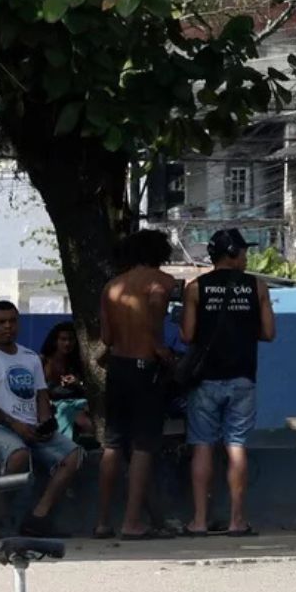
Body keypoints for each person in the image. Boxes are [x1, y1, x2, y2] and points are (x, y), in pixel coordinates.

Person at [0, 300, 86, 536]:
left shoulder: (30, 357)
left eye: (12, 321)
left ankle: (38, 517)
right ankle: (0, 519)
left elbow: (41, 396)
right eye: (1, 322)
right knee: (19, 455)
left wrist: (46, 422)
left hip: (30, 428)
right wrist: (15, 425)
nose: (8, 326)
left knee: (74, 455)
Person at [181, 228, 274, 536]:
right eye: (244, 252)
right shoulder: (256, 287)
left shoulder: (195, 288)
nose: (247, 257)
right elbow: (269, 333)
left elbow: (187, 335)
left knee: (203, 447)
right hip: (243, 377)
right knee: (236, 446)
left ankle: (198, 520)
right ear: (232, 253)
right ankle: (237, 520)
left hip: (205, 379)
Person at [95, 227, 180, 539]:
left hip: (118, 366)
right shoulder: (161, 283)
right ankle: (132, 522)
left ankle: (102, 521)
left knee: (113, 444)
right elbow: (157, 321)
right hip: (146, 368)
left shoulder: (111, 287)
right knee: (143, 445)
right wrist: (162, 349)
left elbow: (106, 337)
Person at [39, 322, 97, 451]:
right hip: (55, 405)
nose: (67, 343)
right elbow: (39, 389)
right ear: (55, 341)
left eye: (71, 339)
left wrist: (77, 383)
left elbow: (89, 390)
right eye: (63, 339)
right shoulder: (43, 361)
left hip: (80, 403)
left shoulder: (78, 362)